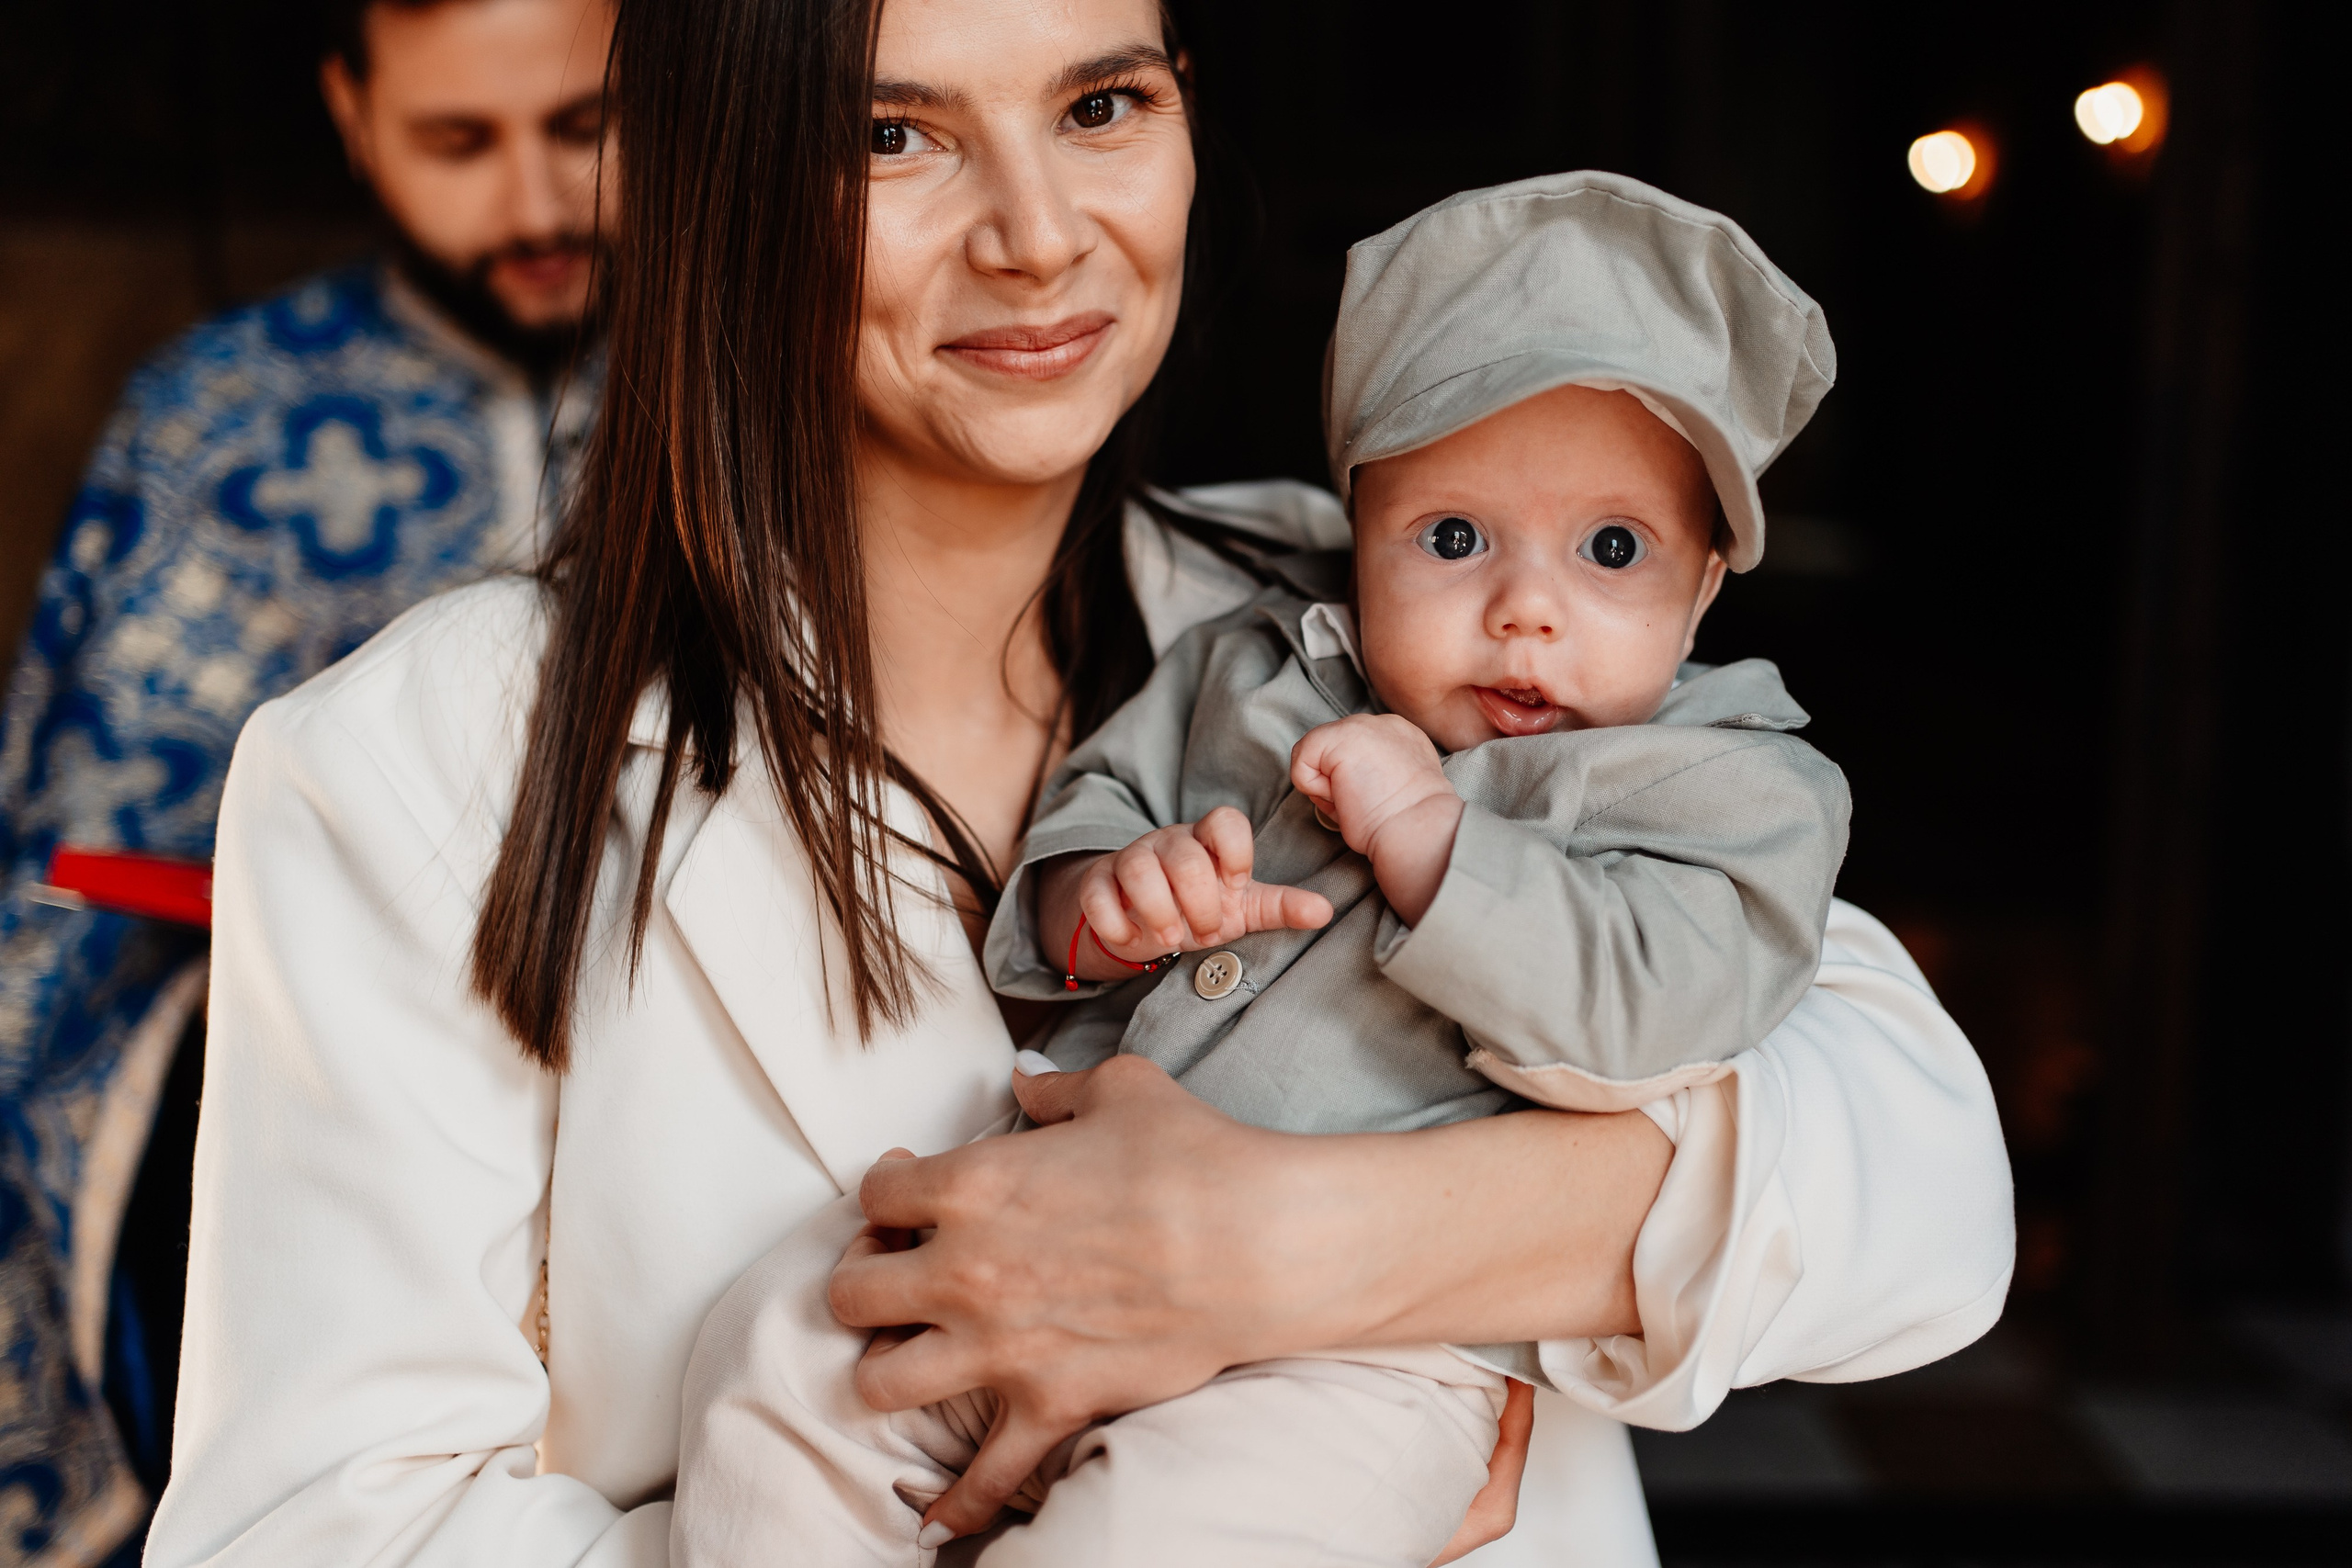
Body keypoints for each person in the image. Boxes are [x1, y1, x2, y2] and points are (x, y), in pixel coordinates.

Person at [145, 3, 2014, 1566]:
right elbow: (313, 1532)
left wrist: (1279, 1252)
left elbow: (1918, 1191)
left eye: (1102, 105)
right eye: (892, 135)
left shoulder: (1400, 621)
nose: (1037, 235)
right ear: (714, 178)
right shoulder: (422, 761)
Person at [670, 172, 1855, 1566]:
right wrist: (1108, 897)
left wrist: (1436, 843)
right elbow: (1101, 801)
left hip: (1367, 1354)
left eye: (1613, 549)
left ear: (1704, 584)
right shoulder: (1252, 665)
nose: (1526, 609)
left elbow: (1665, 1008)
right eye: (1452, 538)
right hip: (1039, 1228)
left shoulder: (1735, 792)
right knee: (787, 1352)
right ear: (1358, 536)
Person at [0, 0, 611, 1549]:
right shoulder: (216, 421)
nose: (536, 206)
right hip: (288, 1100)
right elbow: (58, 908)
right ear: (353, 114)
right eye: (459, 143)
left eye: (586, 129)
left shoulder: (786, 376)